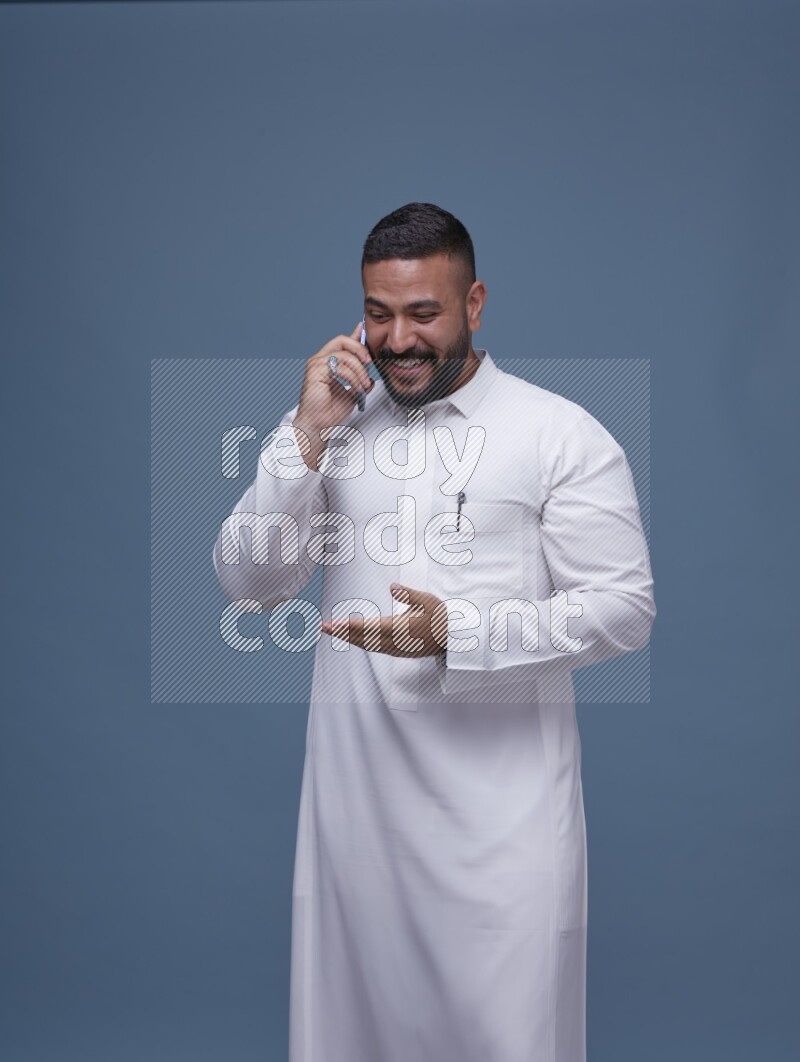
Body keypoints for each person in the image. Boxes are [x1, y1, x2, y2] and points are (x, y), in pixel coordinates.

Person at [212, 202, 656, 1062]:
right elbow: (249, 581)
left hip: (505, 829)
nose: (399, 339)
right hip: (356, 824)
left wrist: (460, 633)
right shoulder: (332, 429)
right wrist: (306, 430)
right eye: (379, 314)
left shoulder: (558, 433)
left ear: (475, 304)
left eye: (425, 313)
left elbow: (624, 607)